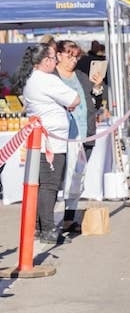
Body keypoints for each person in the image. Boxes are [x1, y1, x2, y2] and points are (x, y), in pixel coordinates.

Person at [17, 43, 80, 244]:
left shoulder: (31, 79)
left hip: (43, 139)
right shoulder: (46, 80)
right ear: (45, 61)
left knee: (42, 184)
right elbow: (74, 99)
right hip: (52, 141)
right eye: (54, 58)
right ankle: (48, 228)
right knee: (49, 185)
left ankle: (39, 225)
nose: (56, 61)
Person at [55, 40, 104, 233]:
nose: (73, 60)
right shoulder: (51, 78)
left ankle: (69, 218)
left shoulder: (81, 77)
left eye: (76, 56)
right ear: (58, 55)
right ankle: (45, 221)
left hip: (85, 134)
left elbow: (95, 104)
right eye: (69, 56)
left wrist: (98, 88)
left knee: (78, 176)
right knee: (57, 178)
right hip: (61, 136)